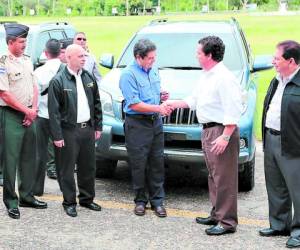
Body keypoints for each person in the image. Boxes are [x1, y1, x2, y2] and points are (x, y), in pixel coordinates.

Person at [165, 36, 242, 235]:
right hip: (208, 130)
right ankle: (217, 214)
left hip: (220, 131)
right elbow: (195, 100)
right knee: (213, 175)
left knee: (224, 178)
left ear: (209, 55)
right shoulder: (207, 75)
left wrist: (225, 136)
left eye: (199, 52)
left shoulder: (224, 78)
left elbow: (233, 110)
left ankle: (227, 222)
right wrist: (174, 103)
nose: (196, 56)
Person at [48, 44, 102, 217]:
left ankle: (87, 199)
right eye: (80, 56)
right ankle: (69, 202)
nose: (84, 59)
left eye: (85, 56)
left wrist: (98, 126)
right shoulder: (58, 81)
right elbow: (54, 112)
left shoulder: (87, 76)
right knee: (67, 169)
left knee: (88, 167)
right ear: (69, 57)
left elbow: (97, 103)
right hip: (68, 131)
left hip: (87, 129)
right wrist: (57, 136)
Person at [119, 39, 171, 218]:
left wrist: (160, 96)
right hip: (137, 123)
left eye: (154, 57)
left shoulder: (154, 70)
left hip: (155, 122)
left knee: (157, 162)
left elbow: (151, 95)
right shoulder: (128, 75)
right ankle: (140, 200)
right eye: (150, 58)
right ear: (138, 57)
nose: (153, 61)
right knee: (139, 164)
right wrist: (159, 108)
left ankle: (158, 201)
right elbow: (134, 104)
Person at [0, 23, 47, 219]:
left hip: (29, 114)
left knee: (30, 158)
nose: (24, 45)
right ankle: (11, 201)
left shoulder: (27, 61)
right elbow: (4, 94)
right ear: (10, 42)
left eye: (25, 41)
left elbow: (34, 87)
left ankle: (27, 196)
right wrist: (27, 111)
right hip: (11, 116)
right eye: (21, 42)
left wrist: (33, 110)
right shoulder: (3, 63)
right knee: (10, 161)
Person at [259, 40, 300, 248]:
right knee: (276, 186)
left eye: (276, 58)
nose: (272, 61)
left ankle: (299, 232)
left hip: (293, 143)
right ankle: (279, 224)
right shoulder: (277, 80)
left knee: (297, 189)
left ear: (291, 61)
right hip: (271, 138)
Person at [33, 38, 63, 196]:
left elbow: (34, 97)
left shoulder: (38, 72)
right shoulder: (65, 71)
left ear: (45, 53)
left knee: (40, 154)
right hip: (61, 118)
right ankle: (66, 190)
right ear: (61, 52)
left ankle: (37, 189)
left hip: (42, 116)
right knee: (64, 156)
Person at [45, 38, 73, 180]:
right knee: (52, 139)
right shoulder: (50, 69)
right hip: (47, 110)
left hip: (64, 110)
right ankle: (51, 167)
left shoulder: (68, 70)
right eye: (61, 52)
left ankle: (60, 165)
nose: (62, 55)